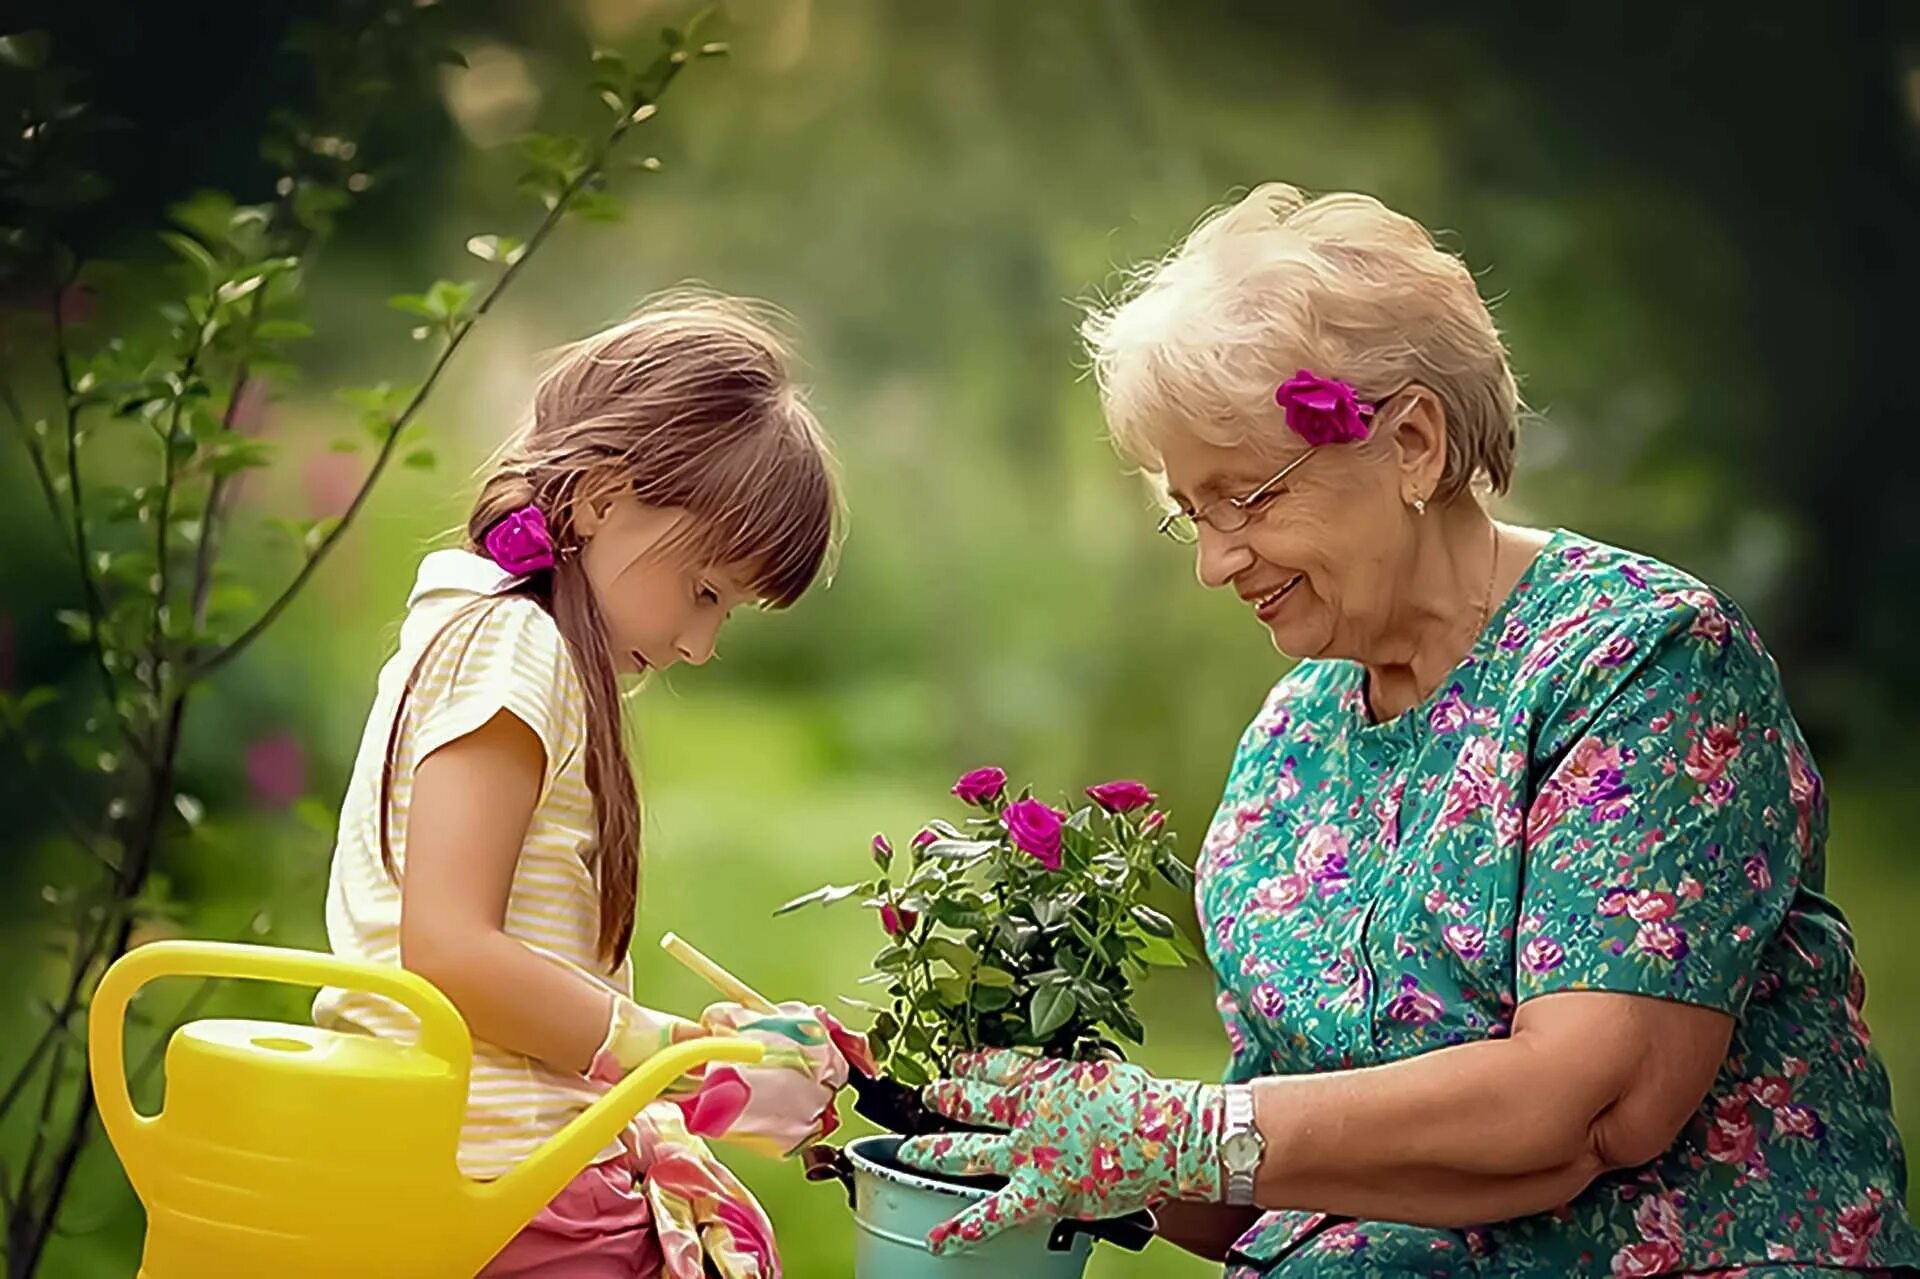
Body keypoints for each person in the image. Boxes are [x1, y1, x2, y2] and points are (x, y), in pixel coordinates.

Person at [899, 185, 1920, 1277]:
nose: (1213, 562)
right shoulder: (1288, 741)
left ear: (1414, 444)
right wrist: (993, 1120)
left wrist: (1181, 1129)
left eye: (1245, 498)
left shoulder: (1641, 662)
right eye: (1192, 514)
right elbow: (1267, 1168)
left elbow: (1586, 1108)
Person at [313, 292, 866, 1277]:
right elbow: (446, 949)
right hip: (487, 1173)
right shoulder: (514, 648)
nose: (699, 643)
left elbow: (512, 961)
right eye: (704, 591)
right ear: (604, 498)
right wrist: (666, 1058)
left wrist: (699, 1053)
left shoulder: (511, 638)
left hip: (490, 1149)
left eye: (726, 614)